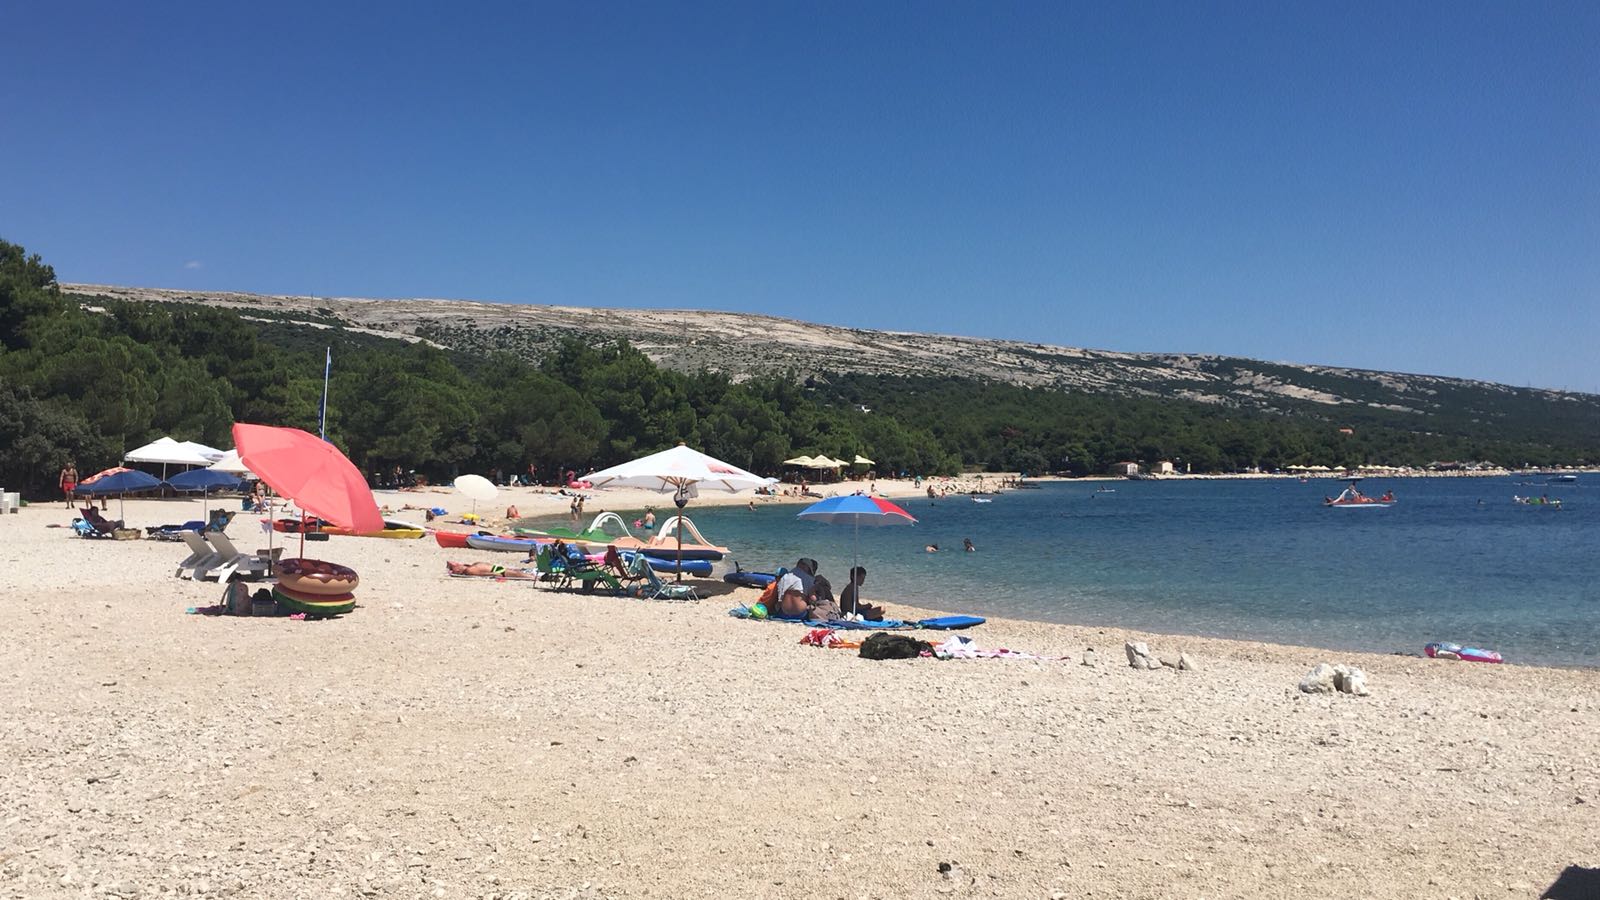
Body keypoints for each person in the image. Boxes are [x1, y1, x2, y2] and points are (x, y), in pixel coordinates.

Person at [446, 561, 536, 578]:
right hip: (496, 571)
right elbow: (488, 574)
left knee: (512, 571)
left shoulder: (471, 566)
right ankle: (533, 577)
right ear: (457, 571)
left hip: (496, 568)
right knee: (512, 573)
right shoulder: (470, 570)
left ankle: (531, 574)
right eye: (456, 565)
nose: (458, 563)